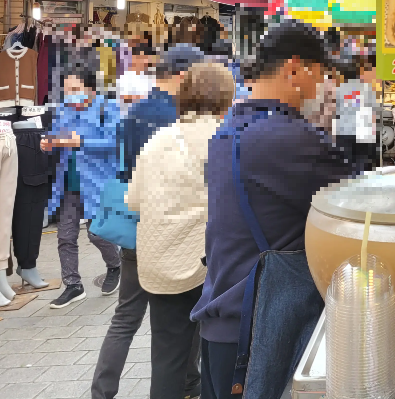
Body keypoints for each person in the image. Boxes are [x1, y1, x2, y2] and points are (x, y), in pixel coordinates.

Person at [192, 21, 364, 399]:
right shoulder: (288, 137)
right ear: (295, 70)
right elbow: (362, 200)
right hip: (259, 334)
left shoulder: (231, 128)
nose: (324, 87)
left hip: (221, 325)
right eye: (321, 76)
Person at [92, 44, 205, 399]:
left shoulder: (134, 113)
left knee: (125, 318)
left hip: (134, 226)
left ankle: (102, 390)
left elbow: (125, 168)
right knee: (183, 315)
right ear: (184, 75)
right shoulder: (183, 119)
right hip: (172, 231)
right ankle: (189, 384)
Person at [127, 62, 235, 399]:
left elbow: (133, 199)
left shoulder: (159, 139)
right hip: (207, 264)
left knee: (167, 356)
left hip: (159, 264)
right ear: (225, 99)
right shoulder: (224, 138)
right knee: (215, 349)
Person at [43, 65, 123, 309]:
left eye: (75, 89)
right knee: (65, 235)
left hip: (98, 182)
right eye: (67, 90)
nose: (70, 95)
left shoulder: (107, 108)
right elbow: (55, 135)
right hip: (69, 182)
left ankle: (115, 265)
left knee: (96, 232)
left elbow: (115, 142)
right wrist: (49, 142)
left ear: (89, 88)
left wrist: (82, 141)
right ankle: (73, 285)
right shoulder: (63, 111)